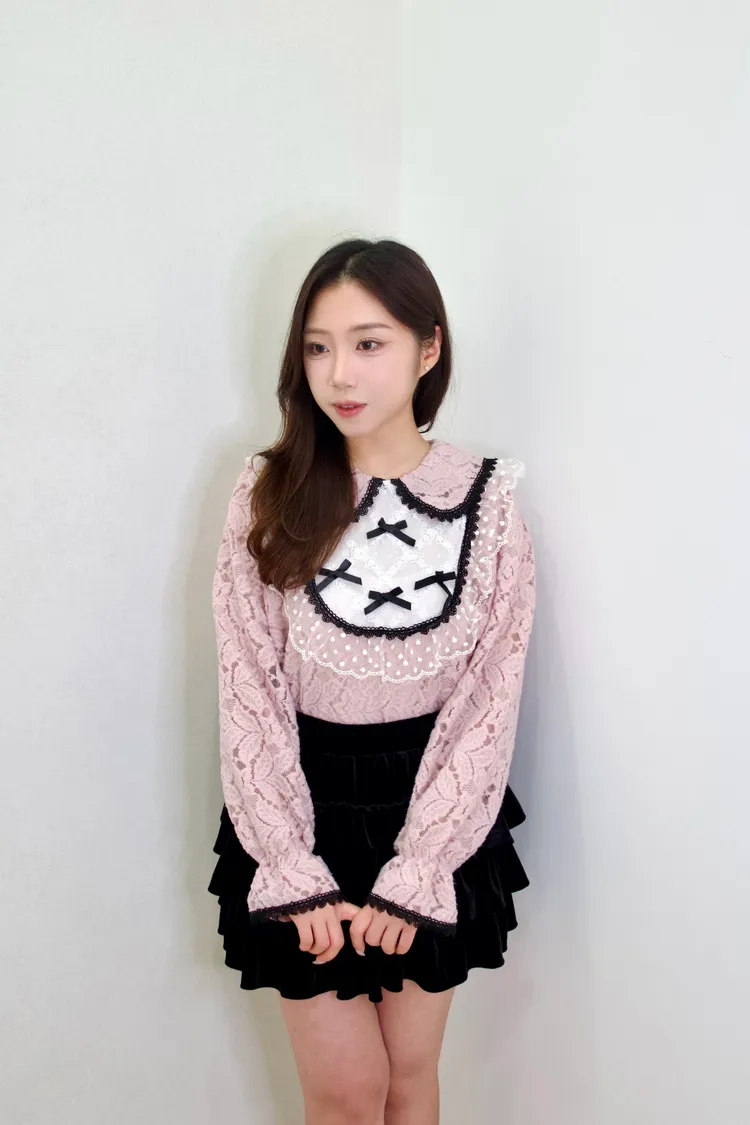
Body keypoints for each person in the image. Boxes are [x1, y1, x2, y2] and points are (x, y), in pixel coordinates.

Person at [208, 237, 536, 1124]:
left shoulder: (487, 499)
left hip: (437, 805)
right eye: (318, 346)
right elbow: (249, 682)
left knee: (409, 1078)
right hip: (295, 799)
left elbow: (490, 694)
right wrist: (290, 862)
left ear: (429, 348)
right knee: (347, 1092)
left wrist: (422, 864)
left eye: (368, 343)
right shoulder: (270, 489)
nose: (339, 373)